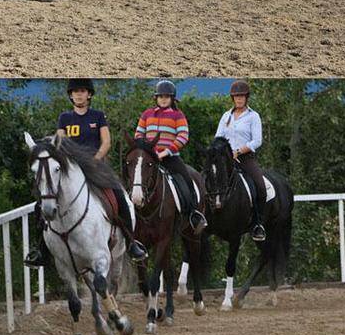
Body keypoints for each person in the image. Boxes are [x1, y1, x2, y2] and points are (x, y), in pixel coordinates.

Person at [24, 78, 147, 268]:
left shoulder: (98, 116)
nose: (79, 94)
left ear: (89, 94)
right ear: (71, 96)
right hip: (72, 170)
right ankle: (41, 249)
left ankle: (131, 243)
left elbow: (106, 142)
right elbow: (60, 144)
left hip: (96, 166)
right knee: (40, 204)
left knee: (119, 196)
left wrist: (95, 160)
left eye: (82, 91)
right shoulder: (65, 118)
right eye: (75, 91)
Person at [135, 80, 207, 234]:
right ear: (156, 98)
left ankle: (194, 213)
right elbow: (139, 133)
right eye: (160, 96)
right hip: (150, 158)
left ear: (172, 99)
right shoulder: (147, 114)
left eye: (167, 97)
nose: (163, 99)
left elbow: (183, 136)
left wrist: (166, 152)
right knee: (134, 179)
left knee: (186, 180)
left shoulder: (177, 115)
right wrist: (147, 150)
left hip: (170, 157)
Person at [215, 80, 266, 241]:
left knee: (259, 185)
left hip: (245, 158)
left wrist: (238, 151)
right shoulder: (226, 116)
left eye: (242, 96)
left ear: (246, 98)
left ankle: (258, 223)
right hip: (226, 160)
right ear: (232, 98)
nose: (239, 99)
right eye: (236, 96)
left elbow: (257, 141)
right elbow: (218, 137)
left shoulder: (253, 116)